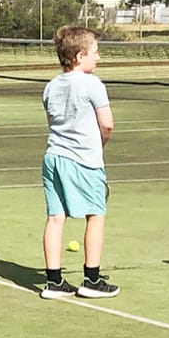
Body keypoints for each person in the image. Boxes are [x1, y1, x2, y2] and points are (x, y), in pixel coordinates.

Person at [39, 25, 119, 300]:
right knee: (95, 215)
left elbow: (52, 124)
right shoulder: (93, 85)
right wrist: (99, 148)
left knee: (54, 218)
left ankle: (54, 282)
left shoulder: (50, 87)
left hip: (53, 158)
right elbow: (107, 125)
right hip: (84, 160)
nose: (99, 57)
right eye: (95, 52)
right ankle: (92, 280)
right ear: (79, 56)